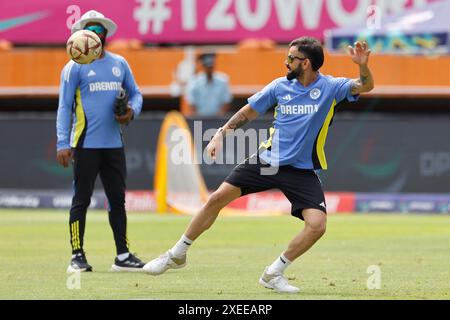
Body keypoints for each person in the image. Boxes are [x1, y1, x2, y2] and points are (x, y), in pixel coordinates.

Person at [144, 37, 374, 293]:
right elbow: (247, 112)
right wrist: (221, 133)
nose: (285, 62)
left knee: (317, 225)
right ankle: (176, 255)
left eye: (291, 58)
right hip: (268, 161)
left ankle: (273, 273)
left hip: (302, 170)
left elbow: (364, 85)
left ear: (306, 63)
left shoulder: (331, 87)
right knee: (216, 198)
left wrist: (363, 67)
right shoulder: (279, 87)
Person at [57, 10, 145, 273]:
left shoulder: (120, 63)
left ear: (106, 35)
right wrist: (63, 142)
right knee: (81, 200)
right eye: (91, 31)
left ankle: (123, 255)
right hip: (85, 144)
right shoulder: (74, 66)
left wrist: (131, 111)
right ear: (82, 34)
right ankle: (77, 255)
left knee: (117, 200)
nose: (96, 35)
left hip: (113, 144)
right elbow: (65, 107)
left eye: (100, 31)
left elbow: (137, 94)